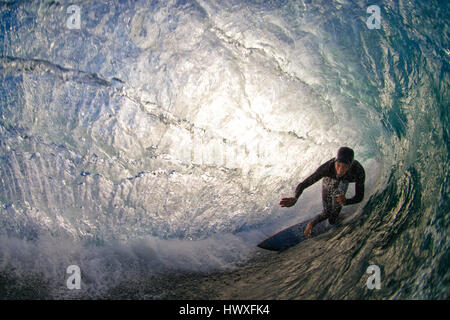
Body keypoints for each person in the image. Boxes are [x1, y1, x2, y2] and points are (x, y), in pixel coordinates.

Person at [279, 147, 365, 238]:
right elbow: (304, 184)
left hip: (344, 182)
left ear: (350, 166)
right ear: (335, 162)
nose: (340, 170)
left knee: (333, 218)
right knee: (327, 212)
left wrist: (346, 201)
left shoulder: (358, 171)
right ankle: (311, 224)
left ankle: (338, 216)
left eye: (344, 167)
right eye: (338, 165)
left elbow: (359, 197)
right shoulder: (327, 168)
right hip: (329, 180)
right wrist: (295, 197)